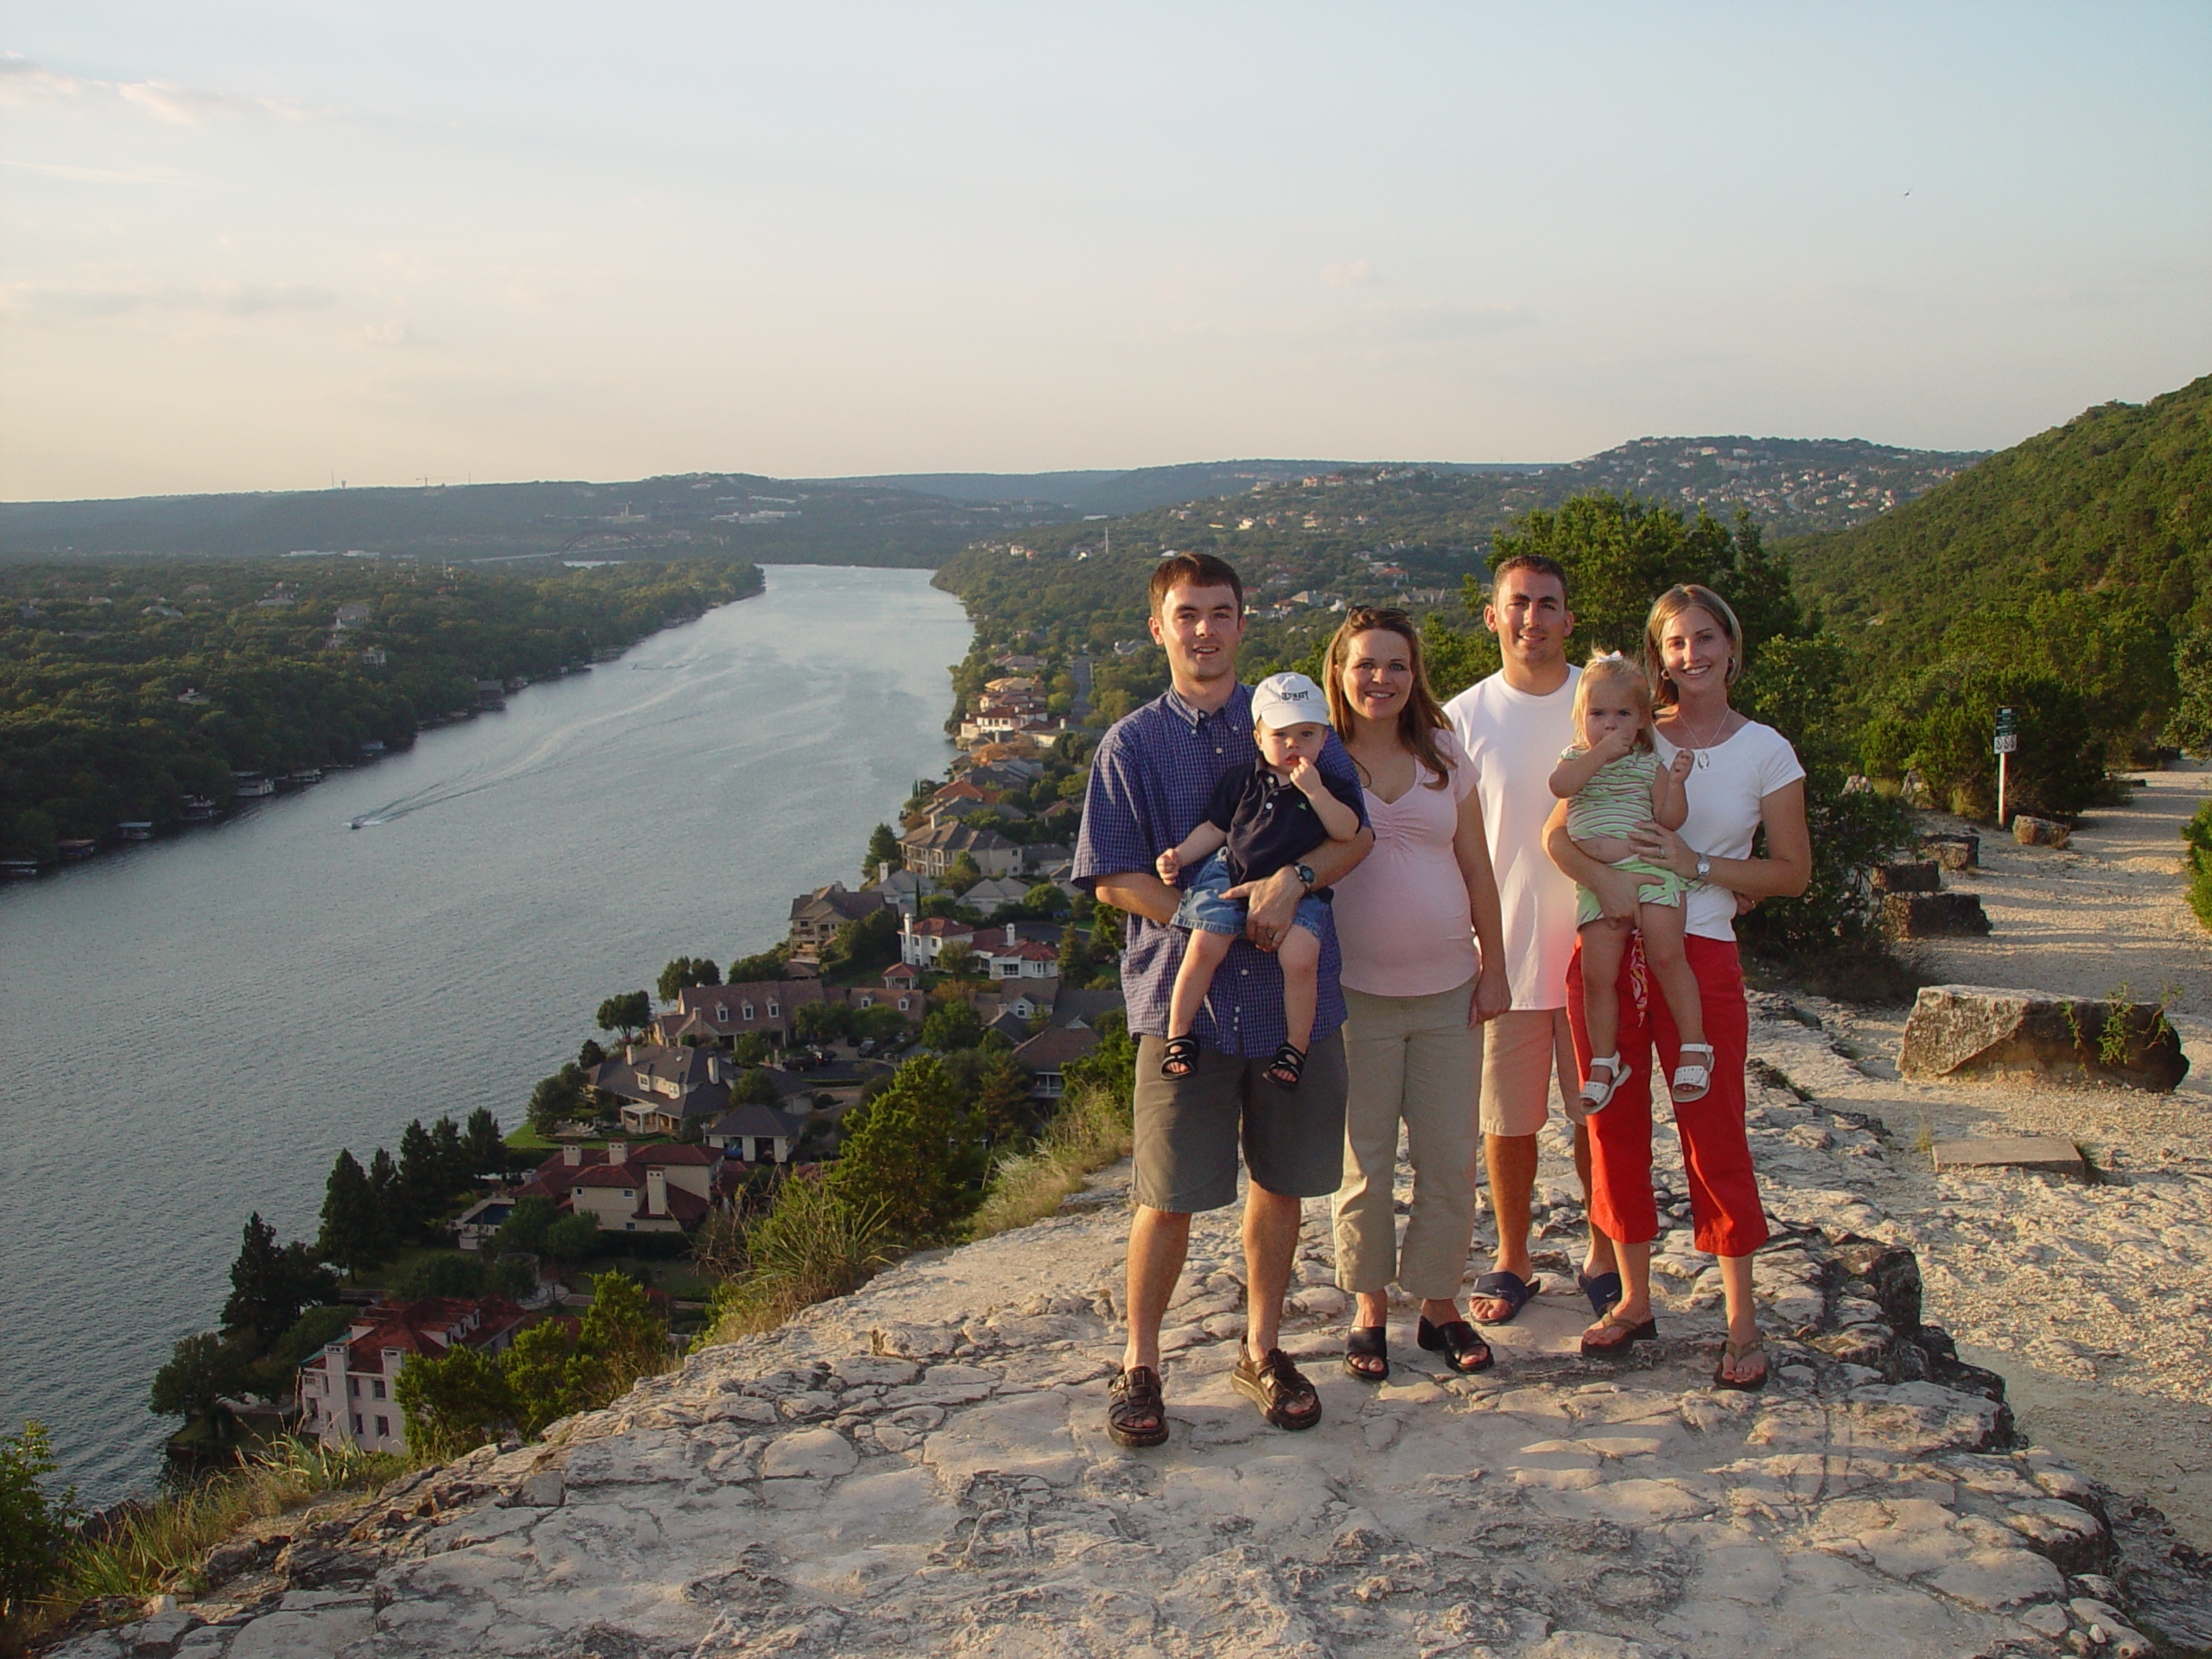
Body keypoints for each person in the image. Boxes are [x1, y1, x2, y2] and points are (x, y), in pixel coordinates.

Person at [1074, 553, 1374, 1446]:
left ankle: (1264, 1349)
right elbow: (1111, 879)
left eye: (1220, 613)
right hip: (1187, 1005)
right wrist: (1214, 915)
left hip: (1293, 1006)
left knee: (1281, 1186)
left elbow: (1355, 842)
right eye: (1186, 614)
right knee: (1164, 1195)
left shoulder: (1302, 729)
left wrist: (1295, 881)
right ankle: (1140, 1365)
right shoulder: (1131, 744)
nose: (1203, 630)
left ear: (1244, 624)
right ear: (1159, 628)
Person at [1544, 583, 1809, 1390]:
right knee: (1611, 1124)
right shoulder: (1625, 728)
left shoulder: (1766, 749)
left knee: (1713, 1127)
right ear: (1658, 658)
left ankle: (1740, 1319)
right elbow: (1557, 833)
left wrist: (1699, 866)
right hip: (1608, 942)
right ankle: (1631, 1298)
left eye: (1704, 638)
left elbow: (1792, 872)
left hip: (1702, 954)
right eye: (1674, 643)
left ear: (1731, 644)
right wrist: (1605, 881)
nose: (1690, 655)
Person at [1323, 609, 1510, 1381]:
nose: (1380, 679)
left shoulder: (1444, 756)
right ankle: (1369, 1308)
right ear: (1339, 672)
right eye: (1365, 664)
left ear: (1415, 674)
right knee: (1362, 1161)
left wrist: (1494, 966)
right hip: (1353, 994)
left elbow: (1477, 868)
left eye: (1395, 665)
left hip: (1447, 992)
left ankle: (1439, 1306)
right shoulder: (1320, 760)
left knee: (1447, 1158)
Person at [1442, 556, 1619, 1327]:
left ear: (1568, 619)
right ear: (1492, 616)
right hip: (1502, 958)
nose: (1533, 619)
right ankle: (1513, 1256)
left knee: (1596, 1117)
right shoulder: (1459, 719)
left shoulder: (1601, 701)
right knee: (1507, 1122)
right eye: (1519, 604)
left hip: (1596, 954)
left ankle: (1604, 1250)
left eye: (1549, 605)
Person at [1155, 671, 1364, 1090]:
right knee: (1202, 947)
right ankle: (1178, 1036)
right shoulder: (1242, 781)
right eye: (1281, 733)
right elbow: (1215, 829)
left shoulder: (1332, 785)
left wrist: (1316, 792)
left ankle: (1295, 1046)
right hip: (1229, 874)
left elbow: (1348, 832)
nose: (1293, 744)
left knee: (1301, 957)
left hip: (1299, 888)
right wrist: (1179, 855)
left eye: (1306, 733)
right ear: (1258, 737)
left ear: (1324, 738)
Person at [1548, 651, 1710, 1110]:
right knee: (1597, 973)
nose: (1611, 724)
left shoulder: (1647, 763)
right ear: (1582, 718)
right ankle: (1604, 1059)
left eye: (1623, 714)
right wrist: (1598, 753)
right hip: (1599, 884)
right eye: (1598, 714)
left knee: (1666, 953)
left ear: (1641, 719)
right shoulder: (1578, 758)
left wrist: (1676, 783)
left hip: (1651, 870)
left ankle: (1694, 1045)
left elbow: (1670, 818)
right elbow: (1560, 786)